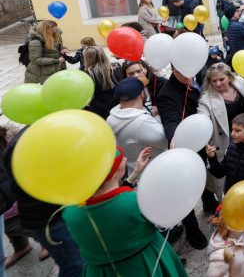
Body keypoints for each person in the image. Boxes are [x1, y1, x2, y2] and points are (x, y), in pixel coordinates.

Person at [62, 147, 186, 276]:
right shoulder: (137, 201)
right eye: (121, 158)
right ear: (115, 172)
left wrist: (134, 175)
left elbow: (110, 201)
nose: (126, 158)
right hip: (145, 264)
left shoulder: (70, 212)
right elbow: (162, 222)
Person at [4, 128, 85, 277]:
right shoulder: (29, 143)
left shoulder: (36, 135)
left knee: (76, 263)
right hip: (49, 220)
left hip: (51, 215)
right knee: (75, 267)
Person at [156, 65, 208, 249]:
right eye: (182, 71)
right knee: (184, 191)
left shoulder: (191, 82)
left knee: (205, 173)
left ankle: (208, 201)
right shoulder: (167, 93)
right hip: (183, 147)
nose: (188, 74)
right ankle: (193, 231)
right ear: (173, 70)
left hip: (199, 139)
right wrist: (173, 138)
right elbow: (170, 119)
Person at [198, 63, 244, 211]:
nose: (218, 84)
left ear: (229, 77)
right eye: (213, 81)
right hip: (227, 142)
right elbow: (201, 117)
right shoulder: (206, 99)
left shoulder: (240, 83)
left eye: (221, 79)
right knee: (230, 177)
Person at [107, 78, 168, 173]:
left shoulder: (111, 117)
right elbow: (166, 141)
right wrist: (157, 116)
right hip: (154, 171)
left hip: (134, 171)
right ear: (142, 94)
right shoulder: (141, 122)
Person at [83, 46, 122, 119]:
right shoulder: (116, 66)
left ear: (87, 58)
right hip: (118, 105)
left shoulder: (88, 73)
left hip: (99, 108)